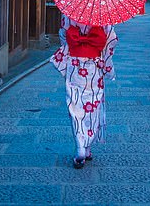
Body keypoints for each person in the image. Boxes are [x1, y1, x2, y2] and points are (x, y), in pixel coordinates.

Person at [50, 14, 118, 169]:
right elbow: (110, 41)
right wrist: (108, 68)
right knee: (92, 107)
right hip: (94, 67)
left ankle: (81, 148)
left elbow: (63, 36)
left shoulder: (69, 11)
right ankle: (86, 147)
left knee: (75, 105)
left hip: (75, 65)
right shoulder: (104, 13)